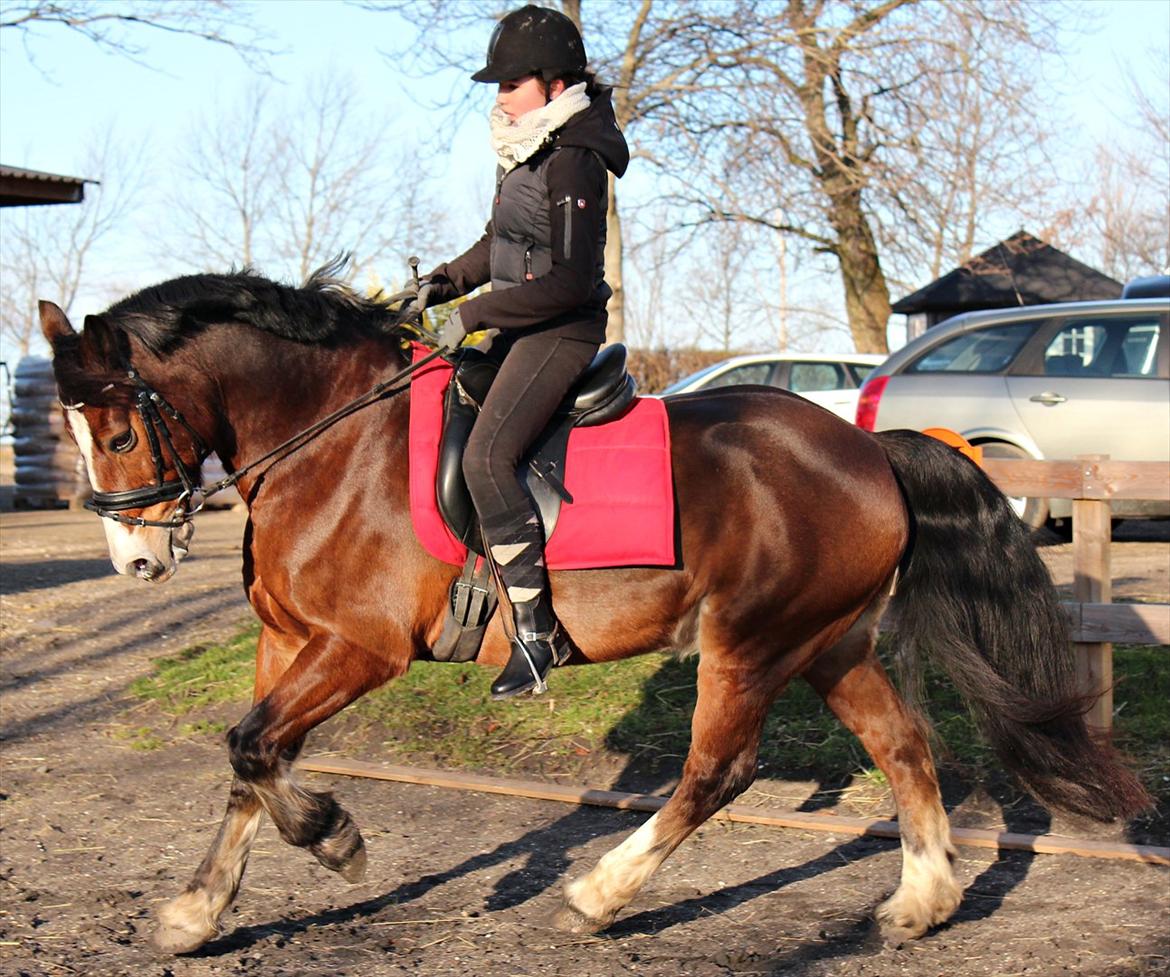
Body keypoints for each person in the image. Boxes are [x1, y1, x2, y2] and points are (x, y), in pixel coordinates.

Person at [397, 5, 629, 699]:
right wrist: (436, 286)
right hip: (516, 326)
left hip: (561, 329)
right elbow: (495, 246)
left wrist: (469, 315)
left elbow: (565, 283)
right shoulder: (525, 148)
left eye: (510, 82)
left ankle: (535, 632)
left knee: (486, 455)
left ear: (555, 85)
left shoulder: (577, 159)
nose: (498, 96)